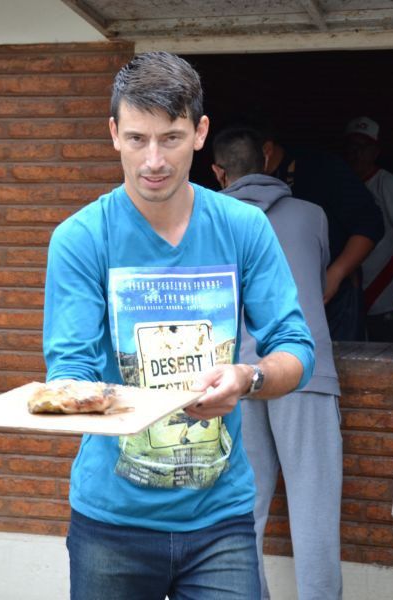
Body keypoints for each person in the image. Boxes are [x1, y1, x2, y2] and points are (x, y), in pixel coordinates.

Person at [43, 52, 316, 600]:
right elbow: (68, 366)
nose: (153, 160)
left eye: (170, 137)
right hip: (111, 520)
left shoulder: (243, 228)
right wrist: (84, 397)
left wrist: (249, 379)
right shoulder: (80, 238)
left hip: (221, 520)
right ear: (114, 133)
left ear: (200, 133)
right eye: (138, 138)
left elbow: (296, 347)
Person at [212, 126, 343, 600]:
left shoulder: (209, 220)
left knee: (243, 509)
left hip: (231, 377)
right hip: (303, 370)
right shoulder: (312, 214)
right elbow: (320, 278)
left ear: (217, 172)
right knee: (315, 509)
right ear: (267, 162)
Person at [262, 124, 385, 341]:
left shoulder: (321, 168)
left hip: (330, 297)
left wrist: (336, 273)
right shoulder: (252, 185)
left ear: (266, 150)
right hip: (277, 300)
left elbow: (370, 223)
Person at [343, 116, 393, 343]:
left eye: (363, 147)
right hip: (351, 296)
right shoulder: (342, 184)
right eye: (351, 146)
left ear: (375, 151)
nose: (356, 153)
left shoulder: (389, 186)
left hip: (386, 297)